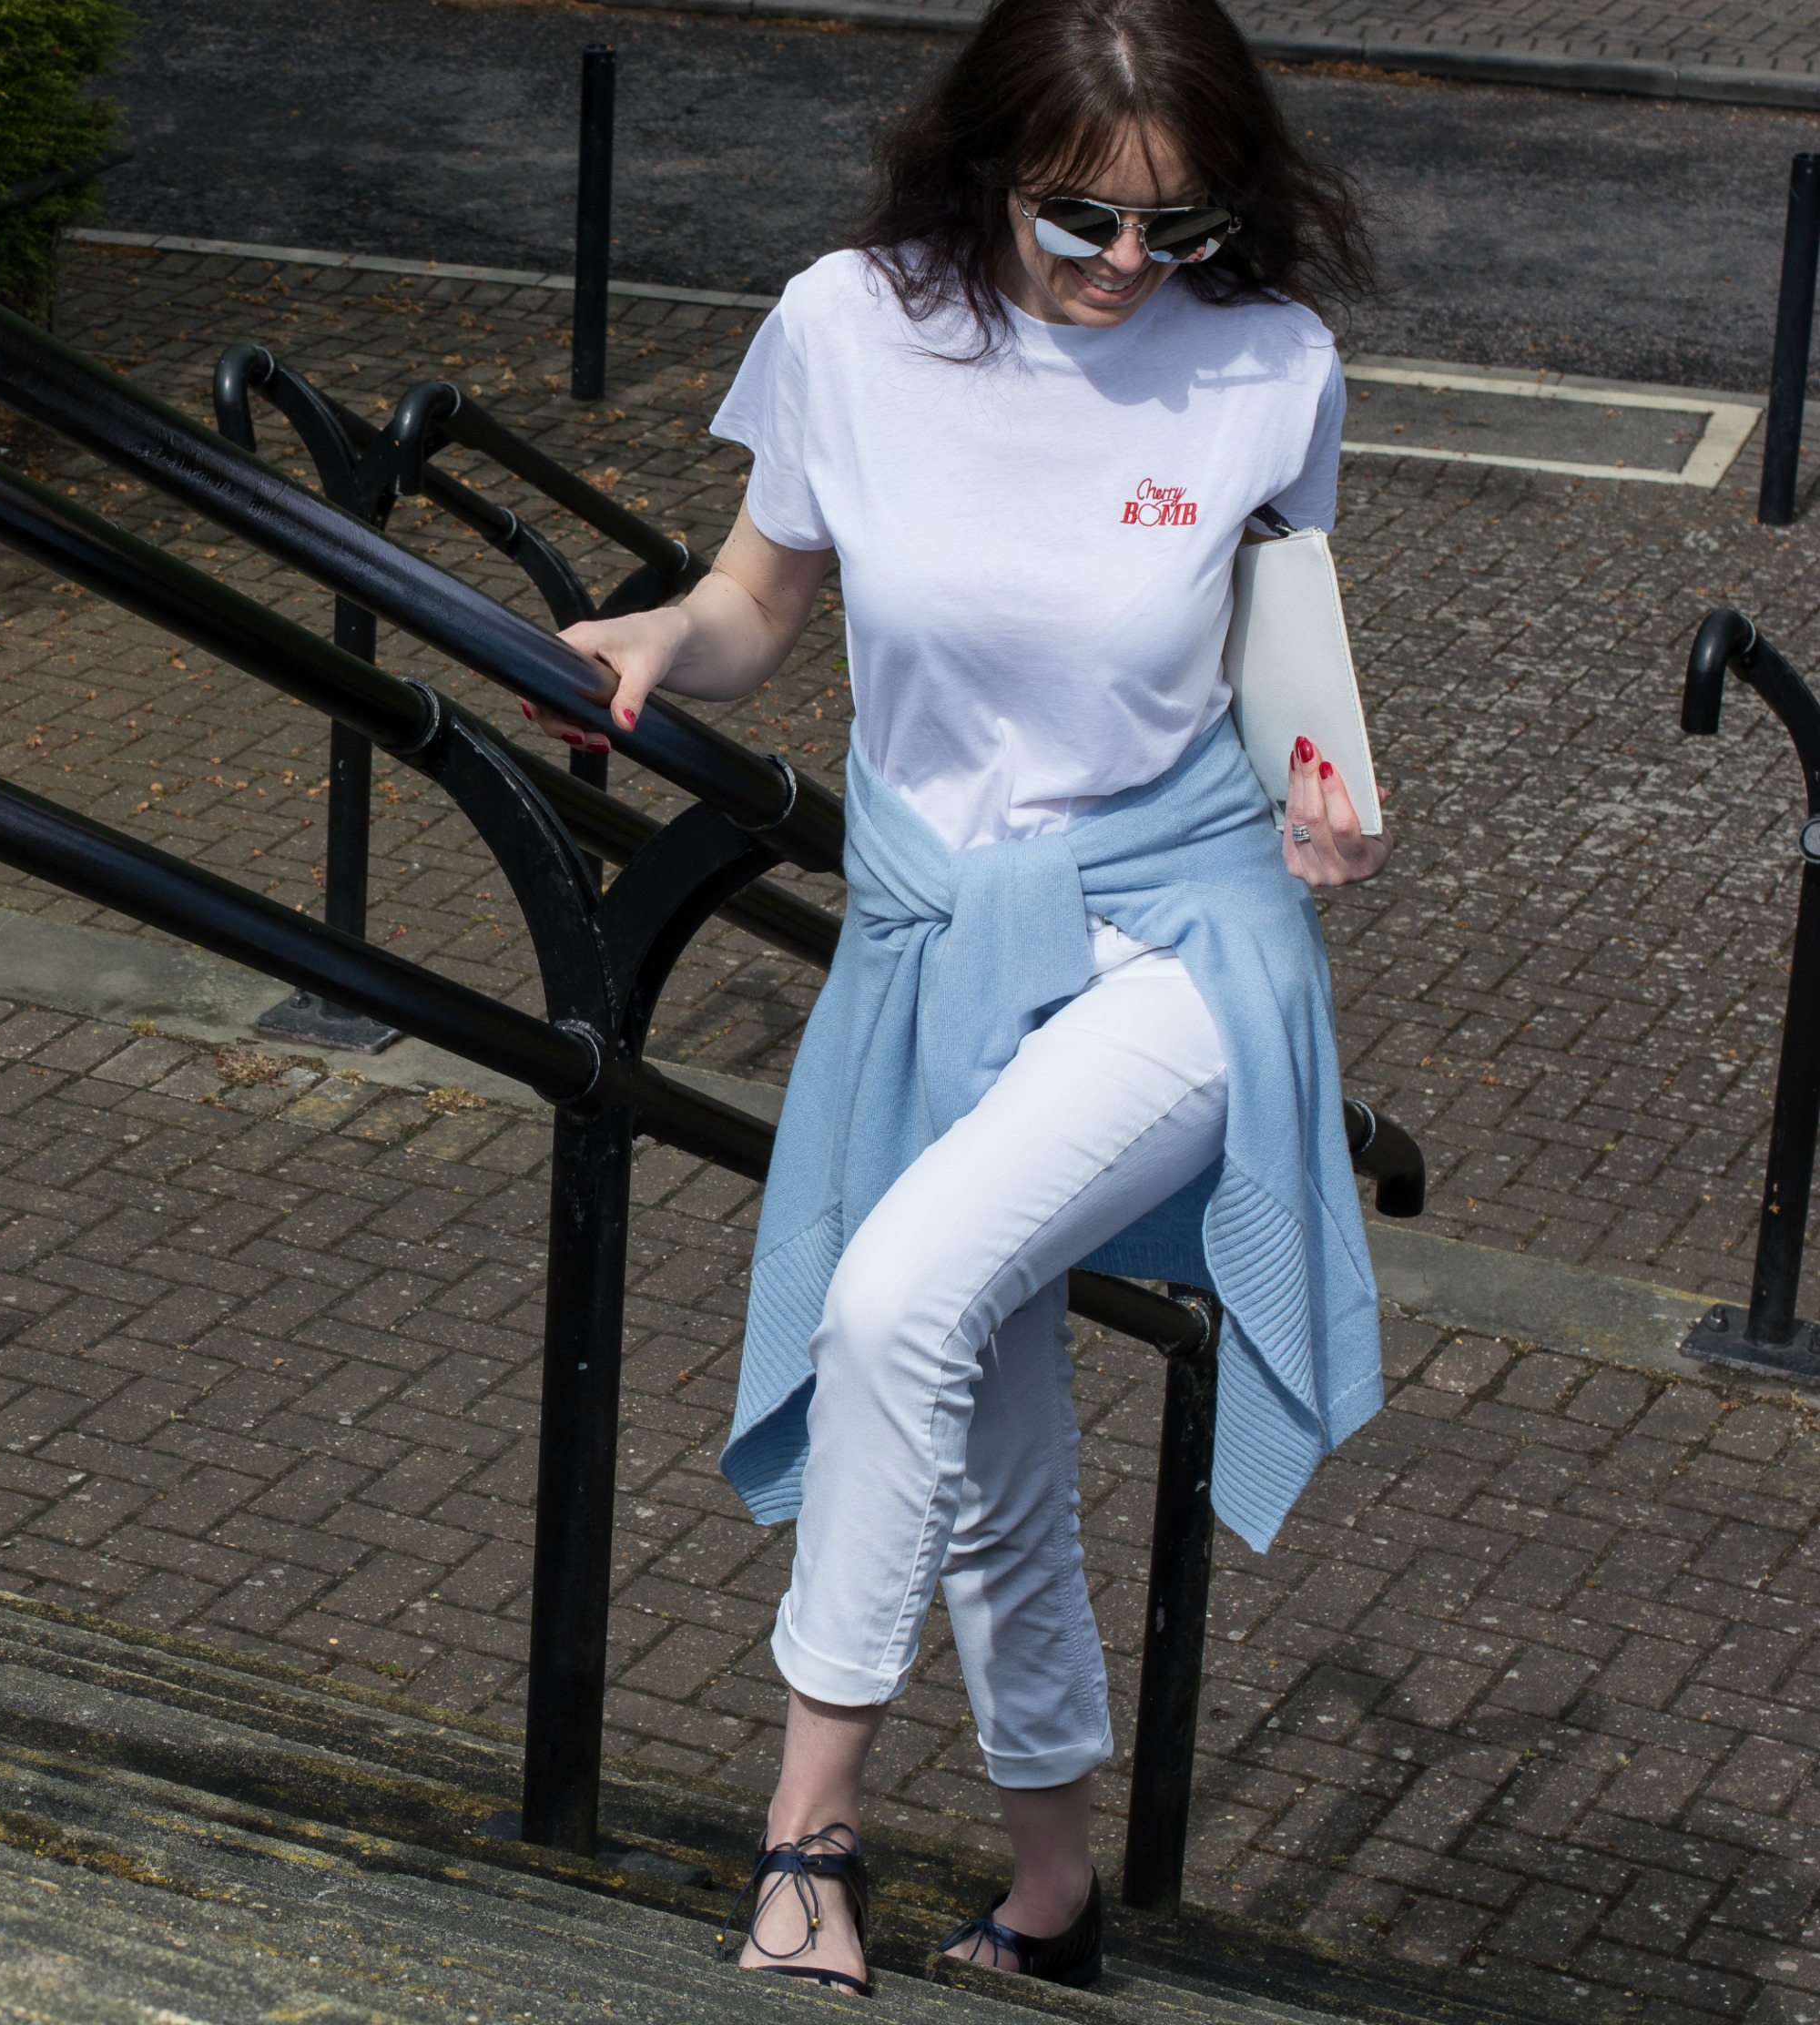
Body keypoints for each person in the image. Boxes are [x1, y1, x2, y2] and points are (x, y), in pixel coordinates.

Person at [524, 0, 1385, 1994]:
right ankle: (1055, 1888)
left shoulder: (1273, 362)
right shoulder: (852, 324)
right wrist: (663, 629)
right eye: (1081, 223)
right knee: (983, 1421)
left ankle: (801, 1841)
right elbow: (758, 600)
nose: (1121, 276)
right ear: (990, 166)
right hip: (936, 947)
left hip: (1180, 947)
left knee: (897, 1297)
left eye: (1176, 232)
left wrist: (1333, 798)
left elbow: (1284, 657)